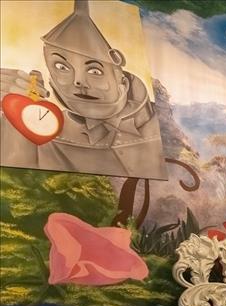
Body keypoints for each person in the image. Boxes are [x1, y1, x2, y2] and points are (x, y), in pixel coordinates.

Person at [0, 0, 165, 179]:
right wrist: (16, 116)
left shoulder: (161, 124)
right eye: (62, 67)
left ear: (123, 83)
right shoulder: (48, 129)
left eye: (95, 71)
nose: (78, 81)